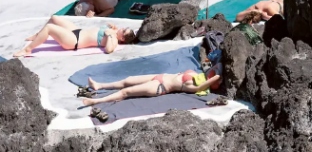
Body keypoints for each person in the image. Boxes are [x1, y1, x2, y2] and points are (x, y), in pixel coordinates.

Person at [80, 65, 221, 105]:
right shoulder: (200, 74)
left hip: (160, 87)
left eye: (215, 78)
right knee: (127, 80)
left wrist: (217, 77)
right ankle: (99, 85)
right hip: (158, 76)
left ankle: (96, 101)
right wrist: (216, 71)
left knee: (126, 92)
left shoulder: (197, 87)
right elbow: (217, 65)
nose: (214, 74)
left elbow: (199, 88)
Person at [17, 16, 135, 57]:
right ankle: (38, 36)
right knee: (54, 18)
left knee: (49, 28)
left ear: (122, 38)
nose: (122, 28)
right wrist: (112, 29)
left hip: (74, 40)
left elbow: (109, 50)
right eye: (124, 28)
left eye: (124, 31)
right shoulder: (114, 31)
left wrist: (110, 35)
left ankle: (27, 50)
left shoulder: (113, 39)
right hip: (77, 31)